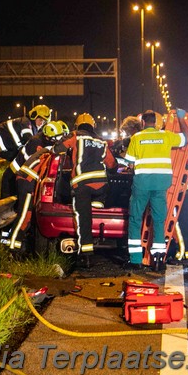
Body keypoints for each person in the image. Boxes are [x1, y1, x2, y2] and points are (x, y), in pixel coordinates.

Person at [124, 109, 188, 269]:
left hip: (142, 184)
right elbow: (187, 138)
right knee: (159, 220)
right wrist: (181, 119)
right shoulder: (165, 135)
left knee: (135, 219)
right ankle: (159, 259)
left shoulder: (137, 137)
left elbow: (130, 162)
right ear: (156, 122)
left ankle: (135, 260)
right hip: (161, 184)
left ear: (143, 123)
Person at [52, 112, 117, 266]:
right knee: (101, 193)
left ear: (77, 125)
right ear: (93, 126)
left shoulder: (75, 136)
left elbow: (57, 149)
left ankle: (86, 255)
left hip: (82, 186)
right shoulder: (101, 141)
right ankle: (98, 203)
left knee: (84, 220)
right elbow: (112, 165)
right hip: (101, 187)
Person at [0, 104, 52, 205]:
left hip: (3, 148)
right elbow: (29, 140)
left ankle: (7, 193)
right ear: (34, 116)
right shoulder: (26, 123)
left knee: (17, 164)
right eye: (40, 119)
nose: (41, 123)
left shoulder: (32, 126)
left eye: (44, 121)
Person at [6, 147, 54, 255]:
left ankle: (16, 247)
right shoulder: (49, 154)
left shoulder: (46, 151)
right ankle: (13, 248)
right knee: (24, 216)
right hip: (27, 182)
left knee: (26, 216)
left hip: (26, 181)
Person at [1, 120, 66, 199]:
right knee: (12, 205)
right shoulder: (36, 143)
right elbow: (34, 165)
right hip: (13, 176)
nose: (58, 141)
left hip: (21, 174)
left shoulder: (45, 140)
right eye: (56, 138)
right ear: (47, 137)